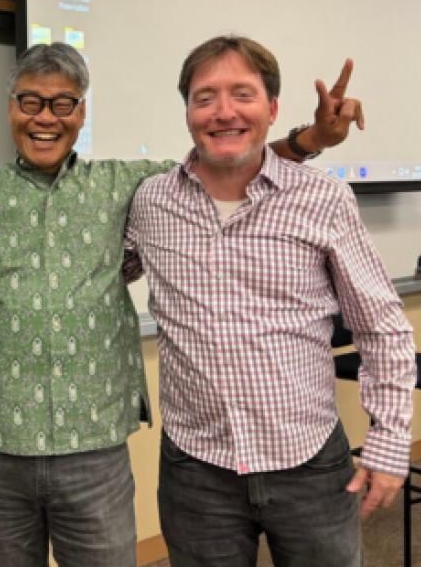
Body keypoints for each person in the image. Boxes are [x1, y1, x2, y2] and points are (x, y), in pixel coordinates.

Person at [0, 42, 358, 566]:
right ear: (10, 108)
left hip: (94, 448)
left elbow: (224, 161)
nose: (45, 117)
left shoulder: (127, 184)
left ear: (81, 111)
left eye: (62, 103)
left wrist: (311, 140)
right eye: (31, 101)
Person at [124, 35, 416, 566]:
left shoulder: (322, 199)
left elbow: (381, 327)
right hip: (195, 470)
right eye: (204, 96)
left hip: (308, 464)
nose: (223, 111)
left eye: (243, 93)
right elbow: (101, 272)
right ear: (187, 111)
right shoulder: (151, 201)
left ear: (273, 108)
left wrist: (391, 439)